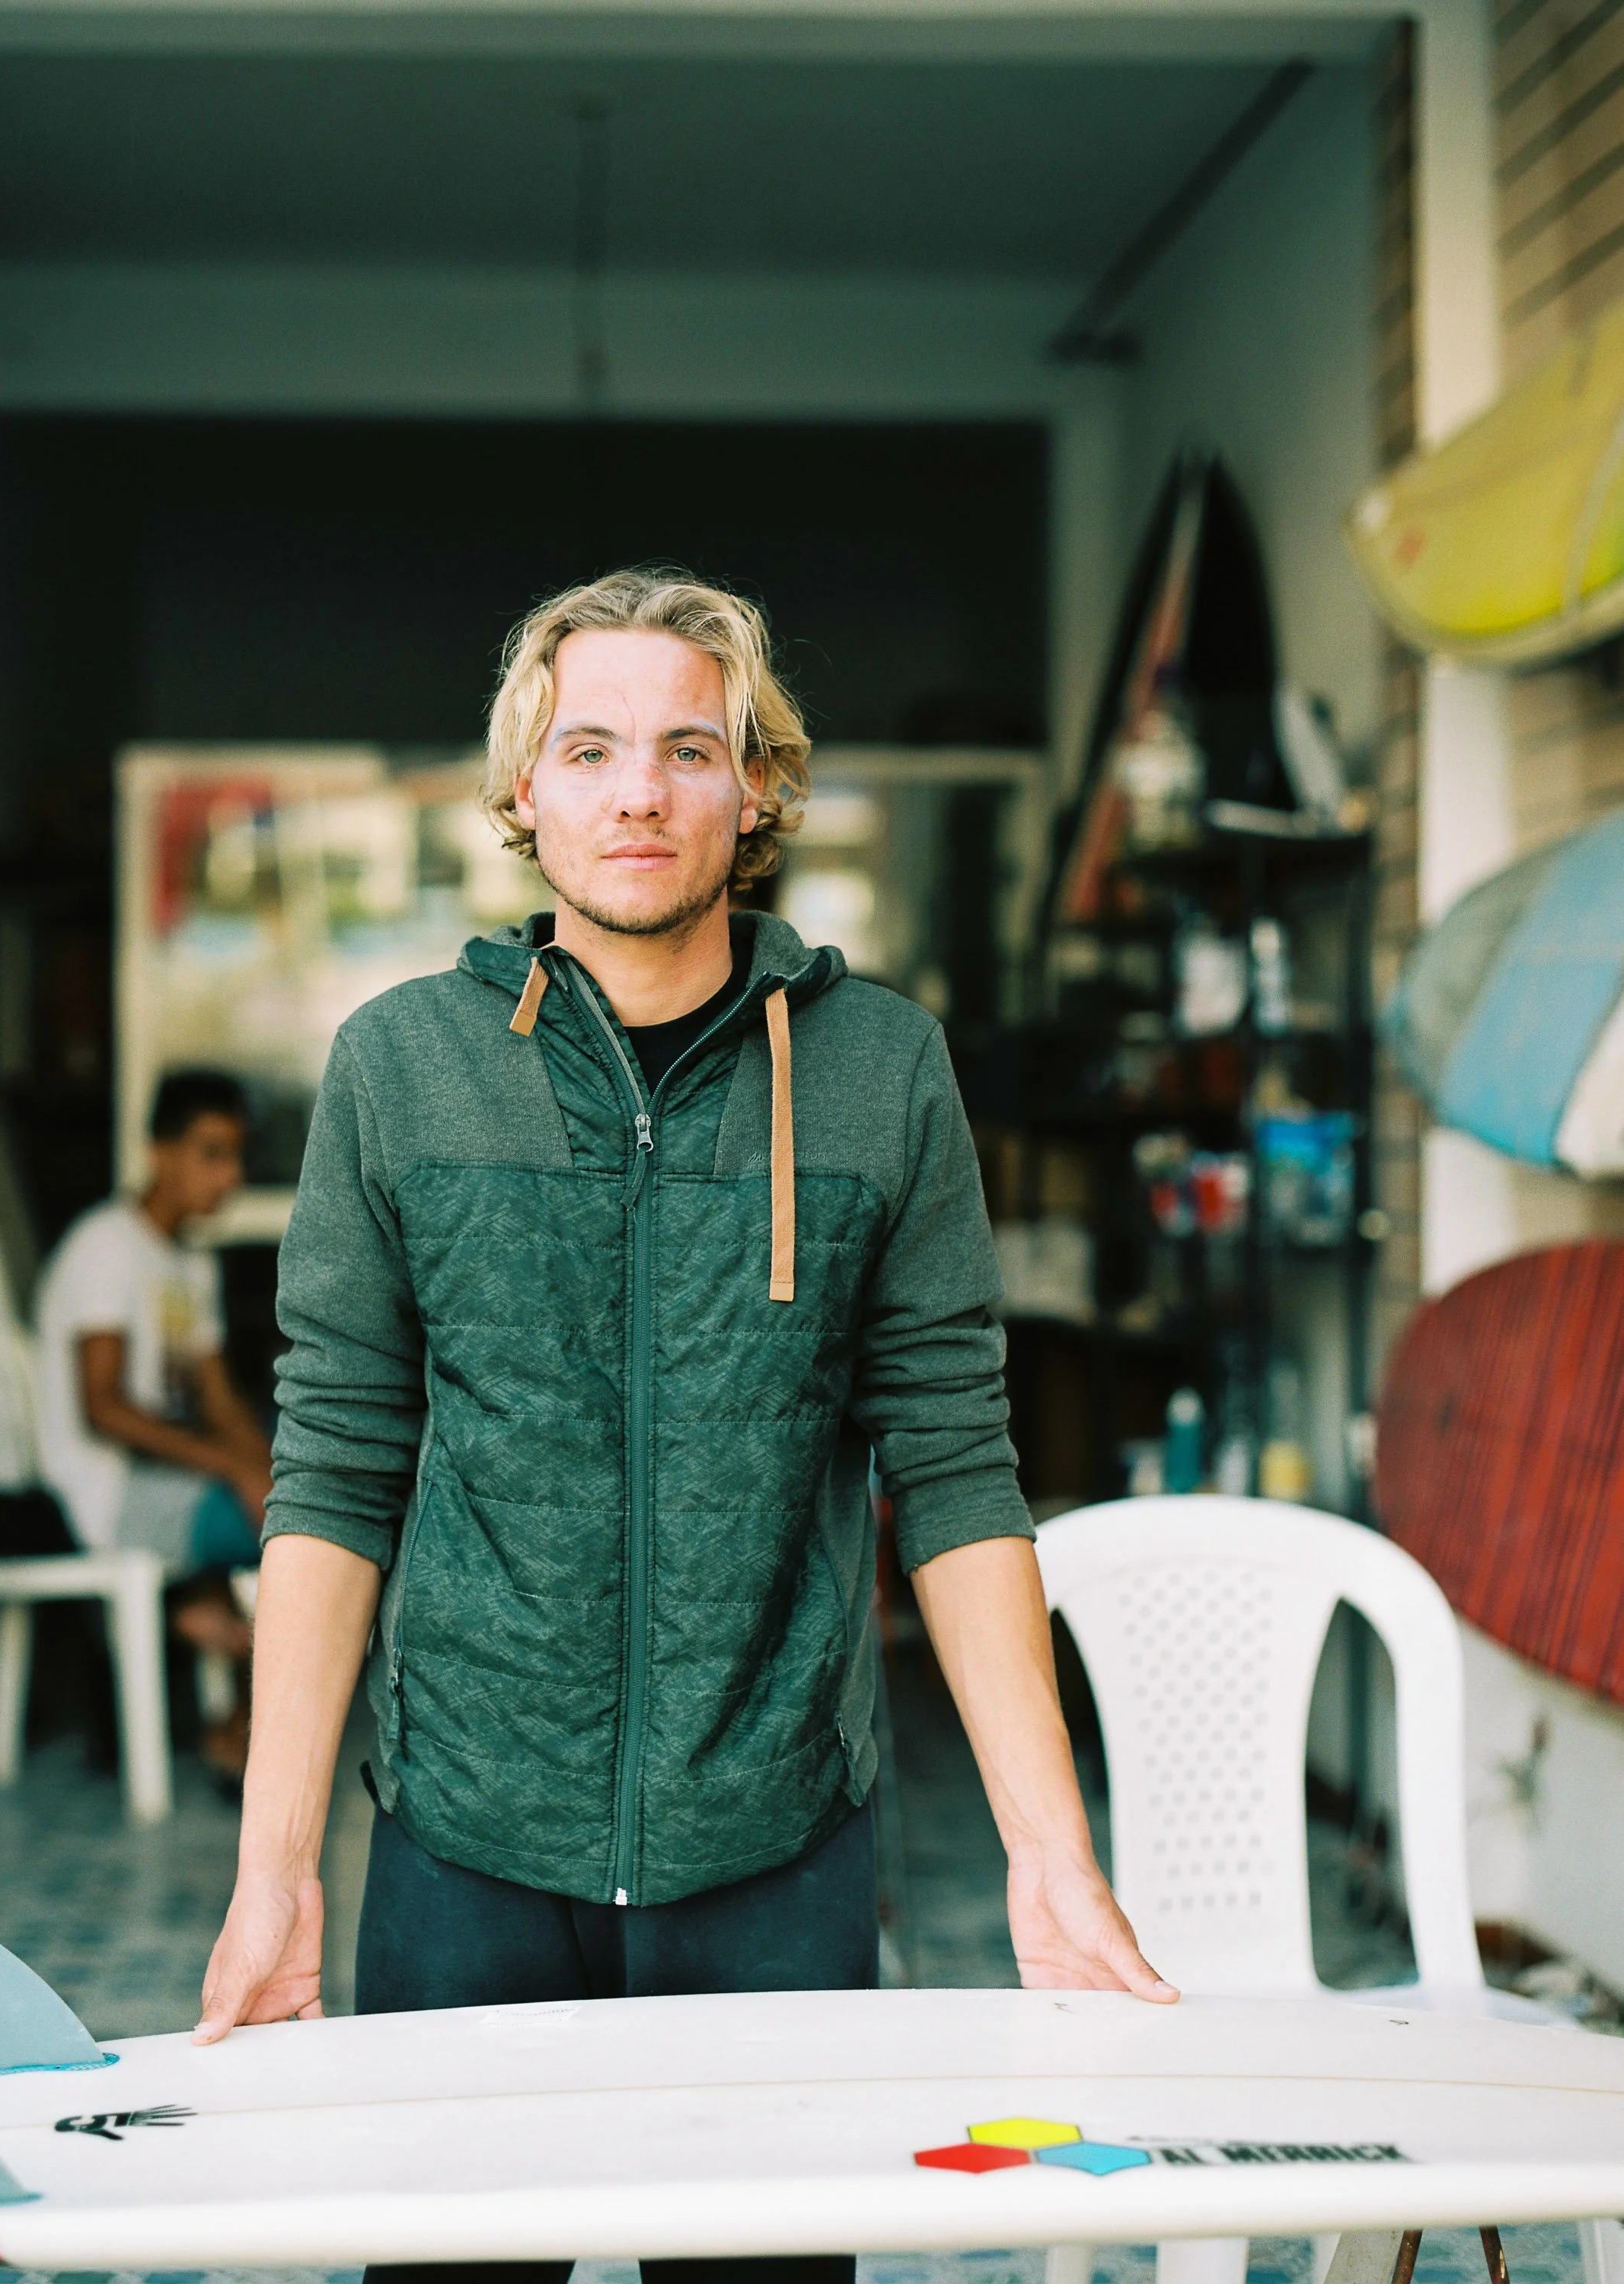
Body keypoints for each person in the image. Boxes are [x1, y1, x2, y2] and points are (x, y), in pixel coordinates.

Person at [196, 569, 1174, 2284]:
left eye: (684, 748)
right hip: (465, 1840)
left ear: (755, 791)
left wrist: (1050, 1853)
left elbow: (950, 1466)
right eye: (586, 748)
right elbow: (335, 1474)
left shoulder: (880, 1071)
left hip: (773, 1851)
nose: (635, 792)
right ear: (523, 792)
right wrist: (277, 1866)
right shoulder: (401, 1067)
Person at [34, 1067, 270, 1770]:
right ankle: (239, 1731)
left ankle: (239, 1711)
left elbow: (219, 1399)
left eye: (237, 1156)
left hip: (166, 1484)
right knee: (302, 1536)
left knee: (304, 1506)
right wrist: (237, 1470)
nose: (227, 1176)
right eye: (210, 1153)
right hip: (105, 1494)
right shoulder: (106, 1245)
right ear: (157, 1151)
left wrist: (270, 1469)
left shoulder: (188, 1265)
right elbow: (101, 1407)